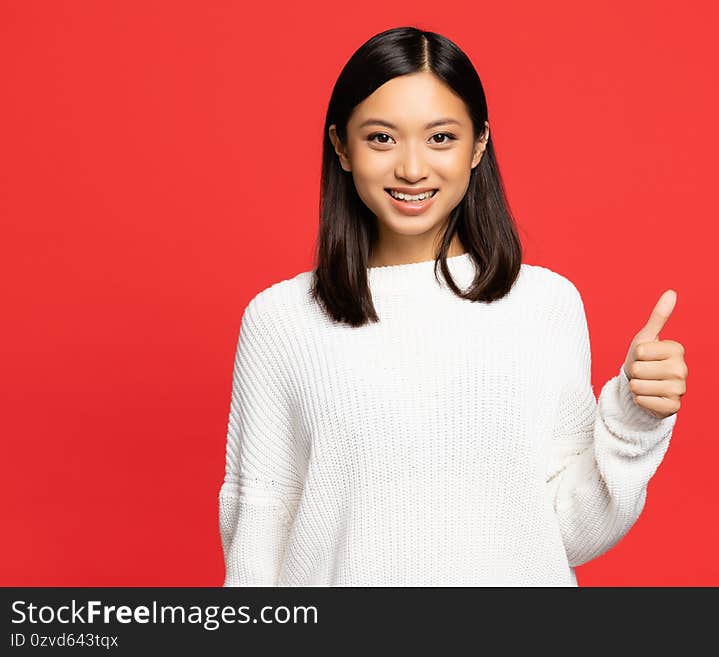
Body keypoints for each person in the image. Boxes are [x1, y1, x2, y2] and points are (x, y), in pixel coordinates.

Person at [218, 26, 688, 587]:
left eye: (440, 138)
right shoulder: (280, 321)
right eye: (381, 139)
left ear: (479, 144)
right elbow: (259, 532)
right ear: (341, 146)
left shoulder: (544, 306)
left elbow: (566, 532)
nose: (413, 169)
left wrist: (634, 420)